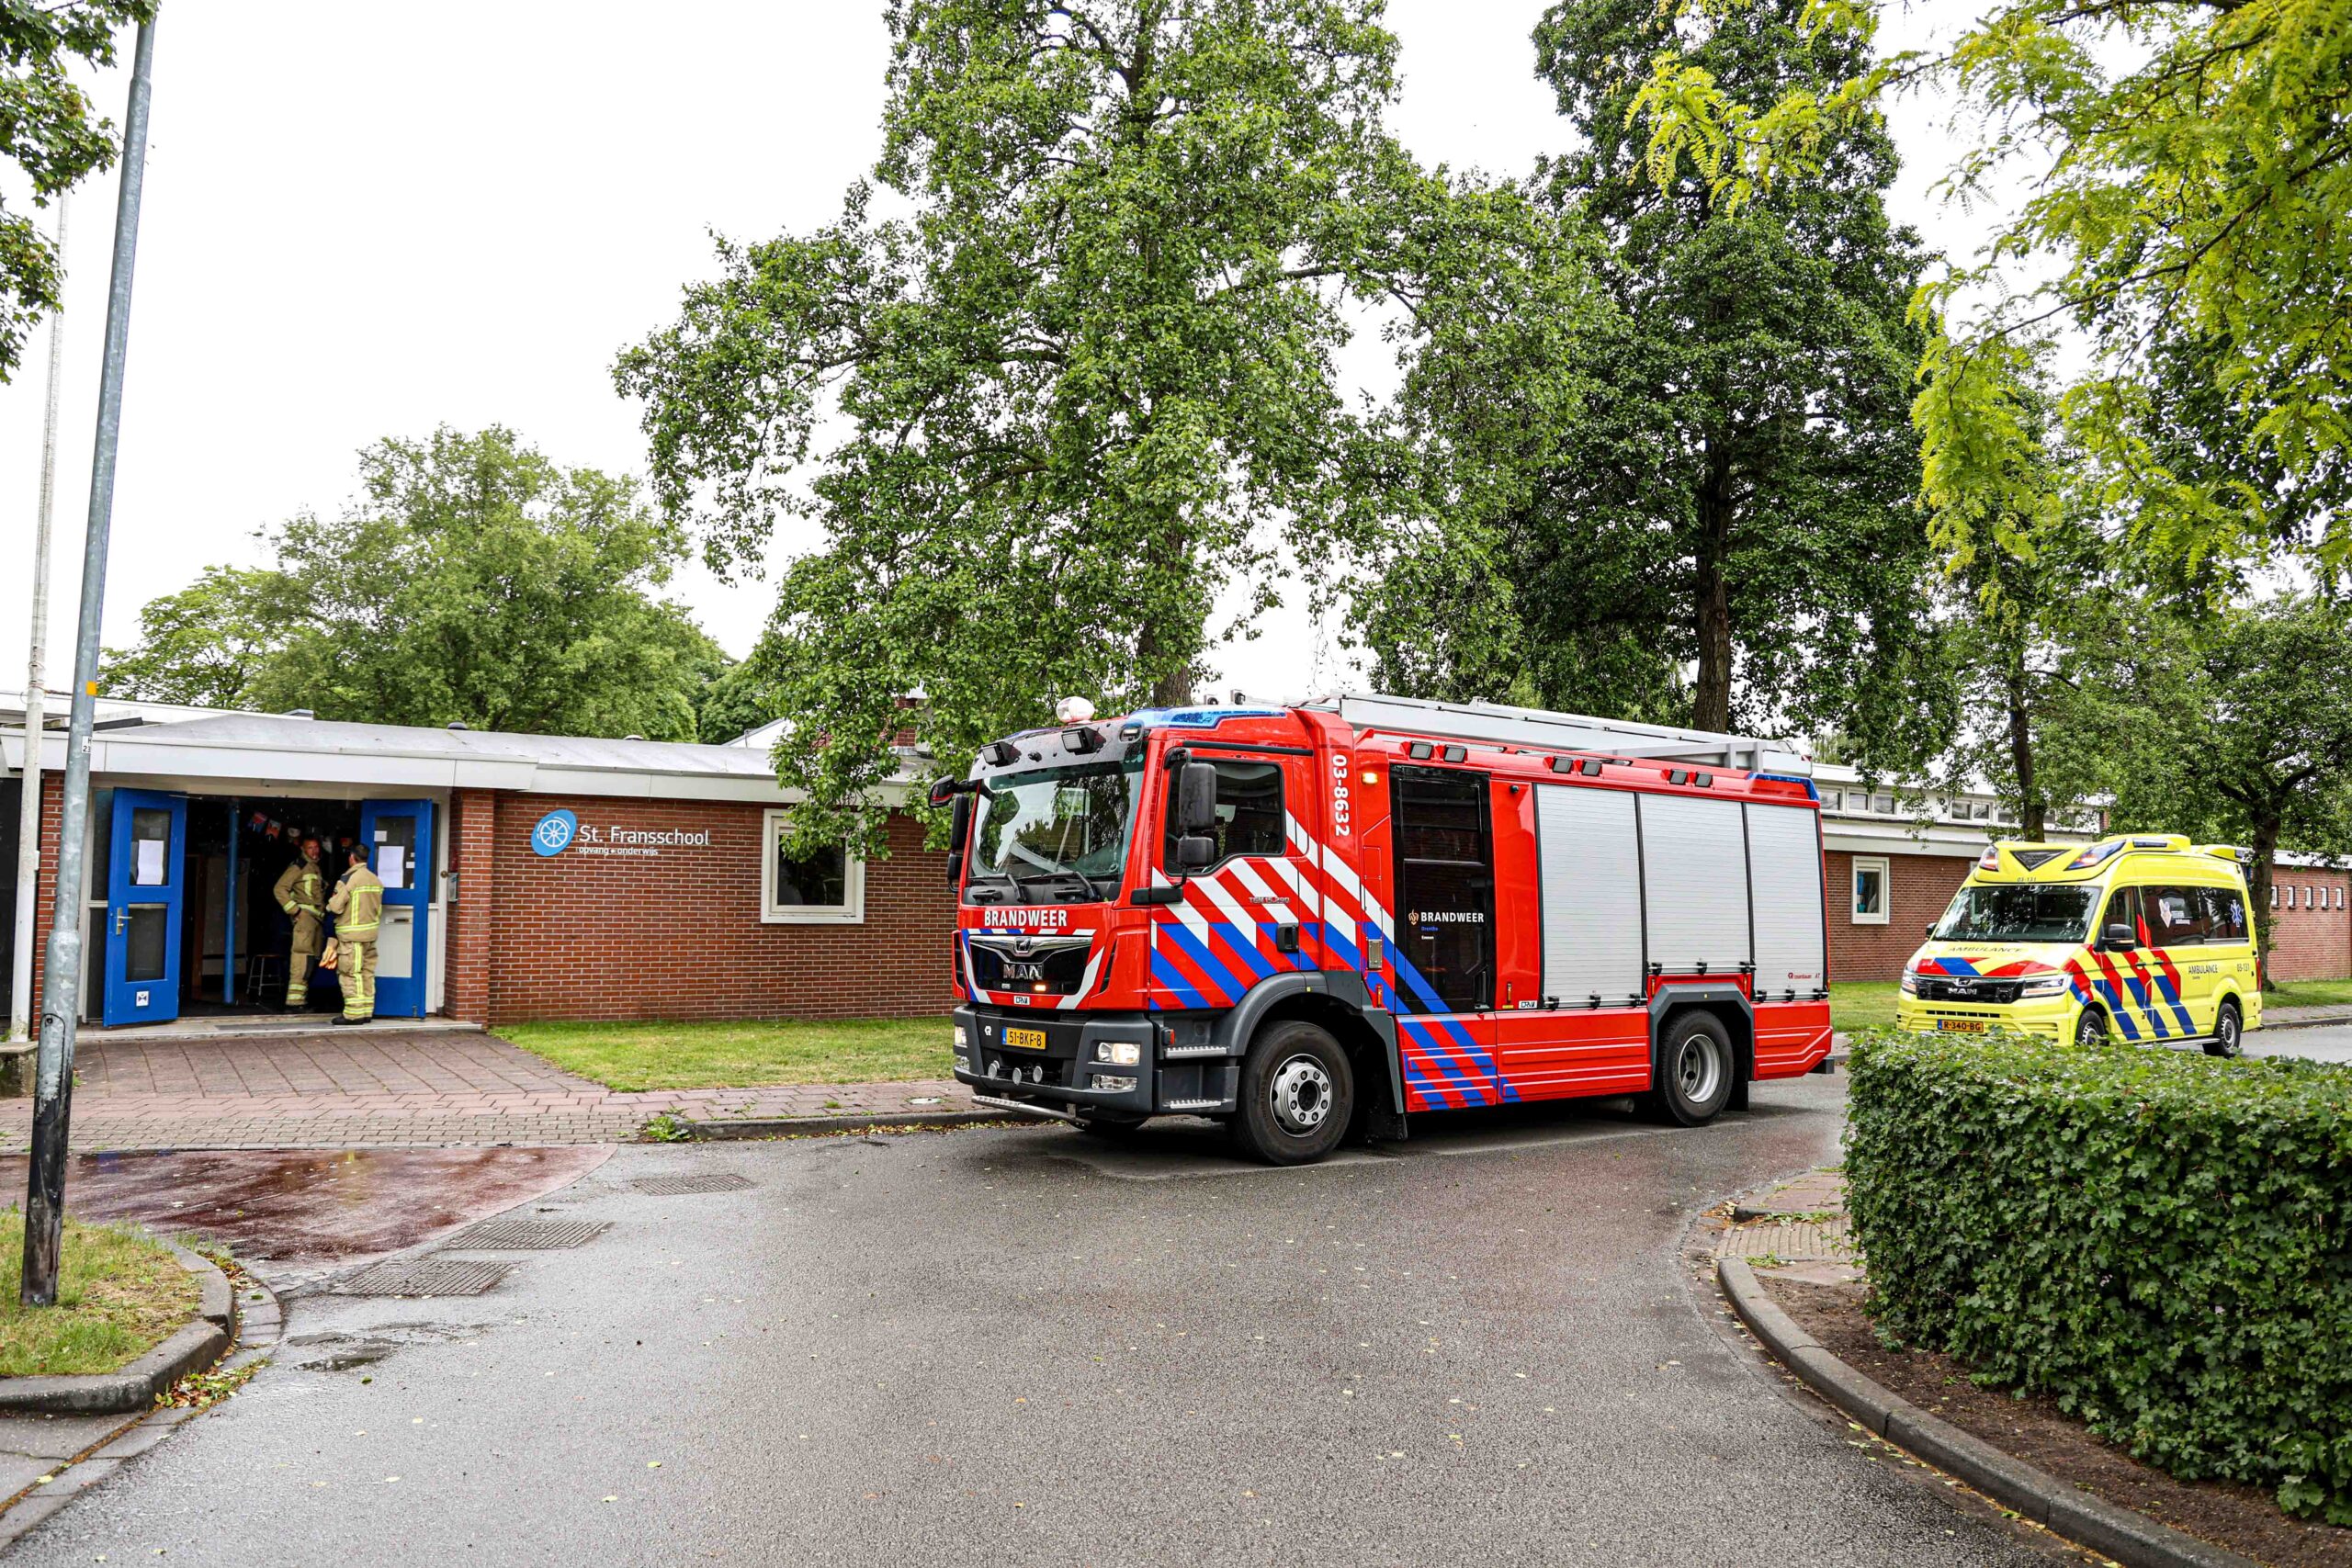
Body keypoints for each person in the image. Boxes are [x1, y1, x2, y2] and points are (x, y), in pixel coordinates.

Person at [326, 845, 385, 1025]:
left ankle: (353, 1014)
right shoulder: (375, 880)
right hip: (370, 936)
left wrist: (329, 904)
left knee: (351, 973)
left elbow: (335, 907)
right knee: (367, 973)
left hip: (352, 937)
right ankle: (366, 1012)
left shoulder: (348, 879)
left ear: (352, 857)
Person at [271, 836, 330, 1010]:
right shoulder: (299, 866)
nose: (314, 851)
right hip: (306, 919)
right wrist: (295, 911)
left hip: (316, 919)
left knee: (312, 960)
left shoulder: (315, 867)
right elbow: (279, 889)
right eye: (310, 848)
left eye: (316, 847)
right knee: (302, 958)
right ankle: (294, 1002)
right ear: (303, 850)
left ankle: (302, 1000)